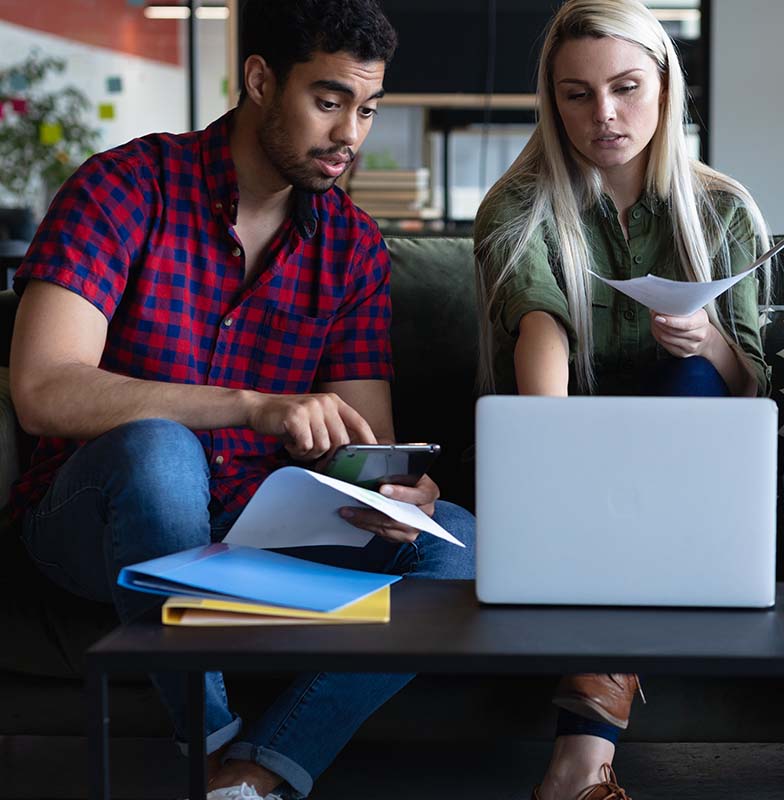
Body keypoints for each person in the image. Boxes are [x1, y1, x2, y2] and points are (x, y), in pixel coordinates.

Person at [8, 1, 475, 798]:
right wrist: (250, 404)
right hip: (103, 520)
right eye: (328, 102)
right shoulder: (123, 188)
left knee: (460, 544)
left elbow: (366, 437)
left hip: (255, 529)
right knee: (161, 453)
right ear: (260, 80)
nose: (349, 135)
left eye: (366, 109)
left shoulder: (353, 246)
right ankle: (212, 732)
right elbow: (43, 389)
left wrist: (394, 487)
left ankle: (257, 773)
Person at [473, 0, 770, 797]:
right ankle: (581, 762)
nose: (603, 115)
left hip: (704, 466)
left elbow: (750, 394)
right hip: (580, 447)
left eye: (627, 87)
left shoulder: (725, 208)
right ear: (553, 99)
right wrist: (554, 459)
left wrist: (704, 337)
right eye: (577, 94)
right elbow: (541, 326)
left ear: (667, 86)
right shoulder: (520, 205)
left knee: (696, 378)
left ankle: (578, 761)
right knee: (607, 473)